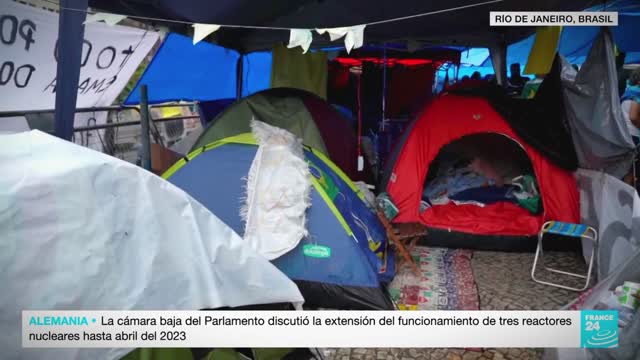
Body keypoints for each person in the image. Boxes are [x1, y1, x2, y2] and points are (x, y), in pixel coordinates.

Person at [621, 67, 640, 145]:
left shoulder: (629, 91)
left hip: (623, 132)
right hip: (632, 135)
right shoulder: (637, 94)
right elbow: (633, 117)